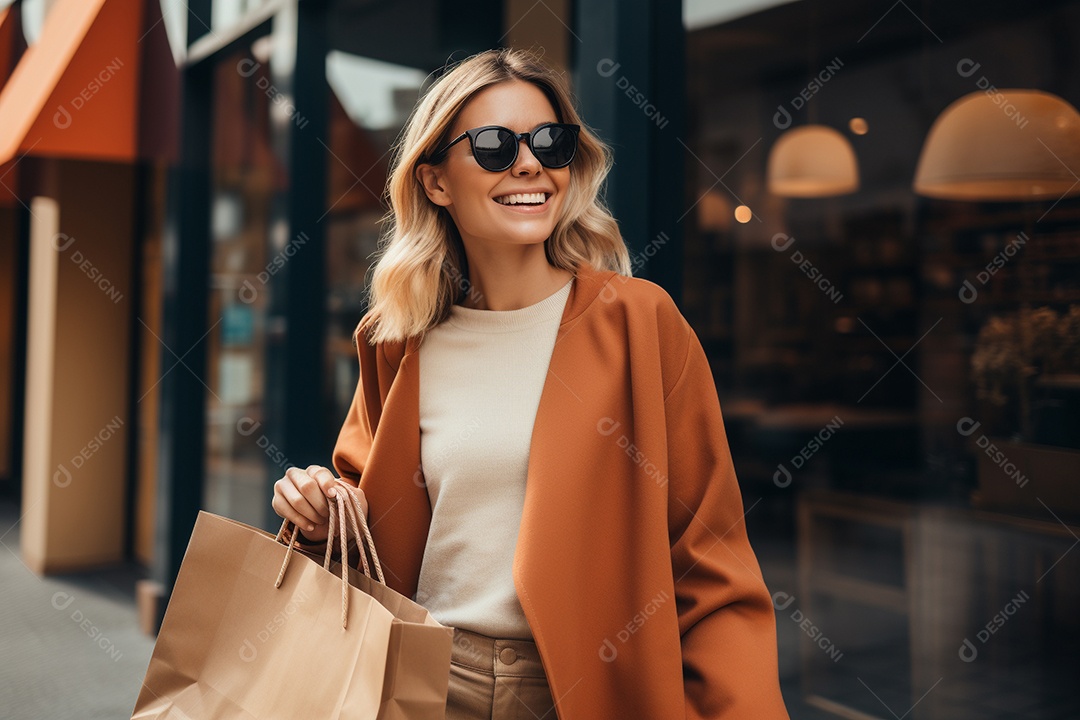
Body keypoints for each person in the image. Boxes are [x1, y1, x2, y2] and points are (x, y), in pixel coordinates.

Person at [272, 48, 789, 719]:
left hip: (581, 694)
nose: (529, 164)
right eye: (493, 146)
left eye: (551, 143)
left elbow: (710, 567)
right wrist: (316, 509)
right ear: (434, 182)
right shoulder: (395, 339)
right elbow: (363, 518)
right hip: (422, 684)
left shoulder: (639, 323)